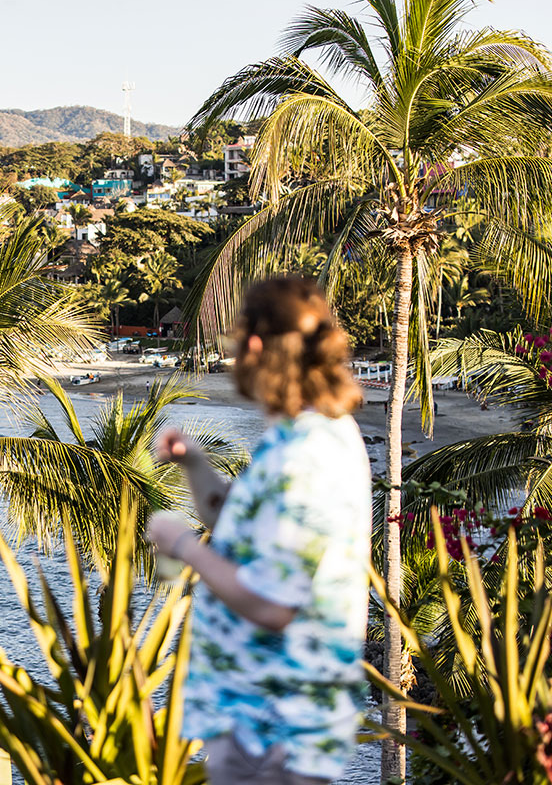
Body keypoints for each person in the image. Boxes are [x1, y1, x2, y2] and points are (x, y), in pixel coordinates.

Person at [147, 276, 371, 785]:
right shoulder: (305, 435)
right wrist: (194, 465)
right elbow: (242, 530)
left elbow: (274, 605)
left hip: (275, 728)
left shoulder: (306, 455)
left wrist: (181, 545)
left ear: (252, 345)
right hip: (259, 716)